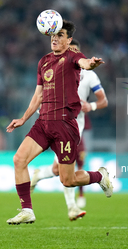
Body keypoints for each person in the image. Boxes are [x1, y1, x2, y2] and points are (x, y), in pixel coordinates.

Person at [5, 20, 113, 225]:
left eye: (60, 35)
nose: (55, 38)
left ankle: (100, 176)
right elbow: (37, 96)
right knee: (19, 160)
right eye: (53, 35)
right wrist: (23, 119)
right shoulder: (43, 61)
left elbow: (85, 63)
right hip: (43, 122)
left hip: (64, 125)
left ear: (69, 40)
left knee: (67, 180)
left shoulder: (73, 56)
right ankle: (27, 209)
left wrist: (92, 63)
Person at [30, 39, 108, 221]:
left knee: (60, 169)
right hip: (58, 122)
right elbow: (42, 94)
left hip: (76, 124)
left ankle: (39, 174)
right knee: (65, 167)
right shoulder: (55, 71)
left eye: (74, 51)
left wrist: (92, 107)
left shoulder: (89, 76)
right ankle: (72, 207)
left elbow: (104, 101)